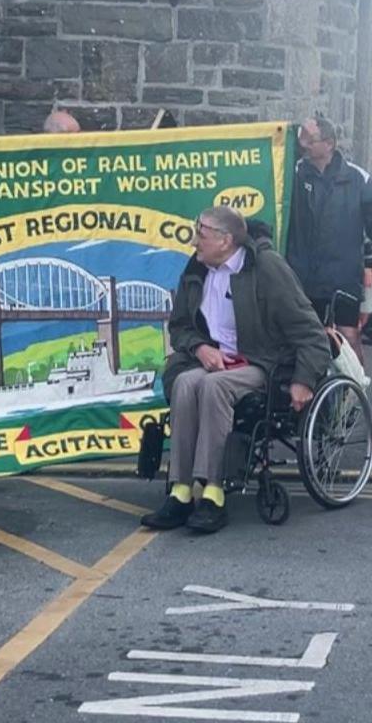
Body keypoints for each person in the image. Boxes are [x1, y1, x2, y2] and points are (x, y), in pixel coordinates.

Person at [142, 206, 331, 534]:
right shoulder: (197, 268)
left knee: (214, 387)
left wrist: (304, 379)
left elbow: (310, 332)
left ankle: (213, 491)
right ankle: (181, 490)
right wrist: (201, 348)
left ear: (225, 240)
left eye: (201, 234)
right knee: (186, 383)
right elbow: (181, 326)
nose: (194, 241)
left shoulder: (267, 268)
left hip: (264, 362)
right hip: (214, 359)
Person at [286, 115, 372, 360]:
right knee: (306, 335)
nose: (304, 145)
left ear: (329, 144)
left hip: (342, 274)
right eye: (301, 139)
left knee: (348, 335)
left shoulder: (357, 178)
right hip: (302, 273)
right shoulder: (295, 173)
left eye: (310, 140)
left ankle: (356, 391)